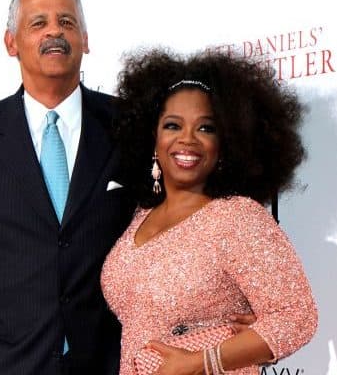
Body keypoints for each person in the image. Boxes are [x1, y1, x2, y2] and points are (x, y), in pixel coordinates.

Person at [0, 0, 136, 374]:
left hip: (111, 364)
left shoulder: (130, 126)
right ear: (11, 43)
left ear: (85, 39)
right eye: (38, 23)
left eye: (67, 22)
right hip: (9, 364)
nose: (54, 31)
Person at [101, 48, 318, 375]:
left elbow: (297, 316)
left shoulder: (237, 218)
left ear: (226, 141)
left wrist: (200, 362)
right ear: (152, 137)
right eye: (172, 125)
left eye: (206, 128)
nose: (187, 139)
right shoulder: (140, 215)